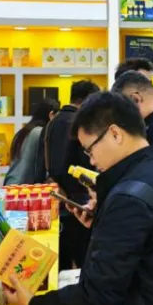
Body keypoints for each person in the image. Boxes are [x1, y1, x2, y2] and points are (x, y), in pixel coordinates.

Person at [5, 91, 153, 305]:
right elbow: (150, 242)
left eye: (90, 149)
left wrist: (34, 304)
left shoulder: (128, 198)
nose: (91, 160)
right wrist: (103, 222)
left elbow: (99, 293)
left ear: (115, 134)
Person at [45, 80, 101, 269]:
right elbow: (84, 164)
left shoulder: (54, 121)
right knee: (84, 260)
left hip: (59, 198)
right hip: (78, 202)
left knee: (63, 263)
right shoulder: (77, 123)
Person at [4, 99, 59, 186]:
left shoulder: (23, 131)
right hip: (25, 187)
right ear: (51, 114)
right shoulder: (41, 133)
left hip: (11, 184)